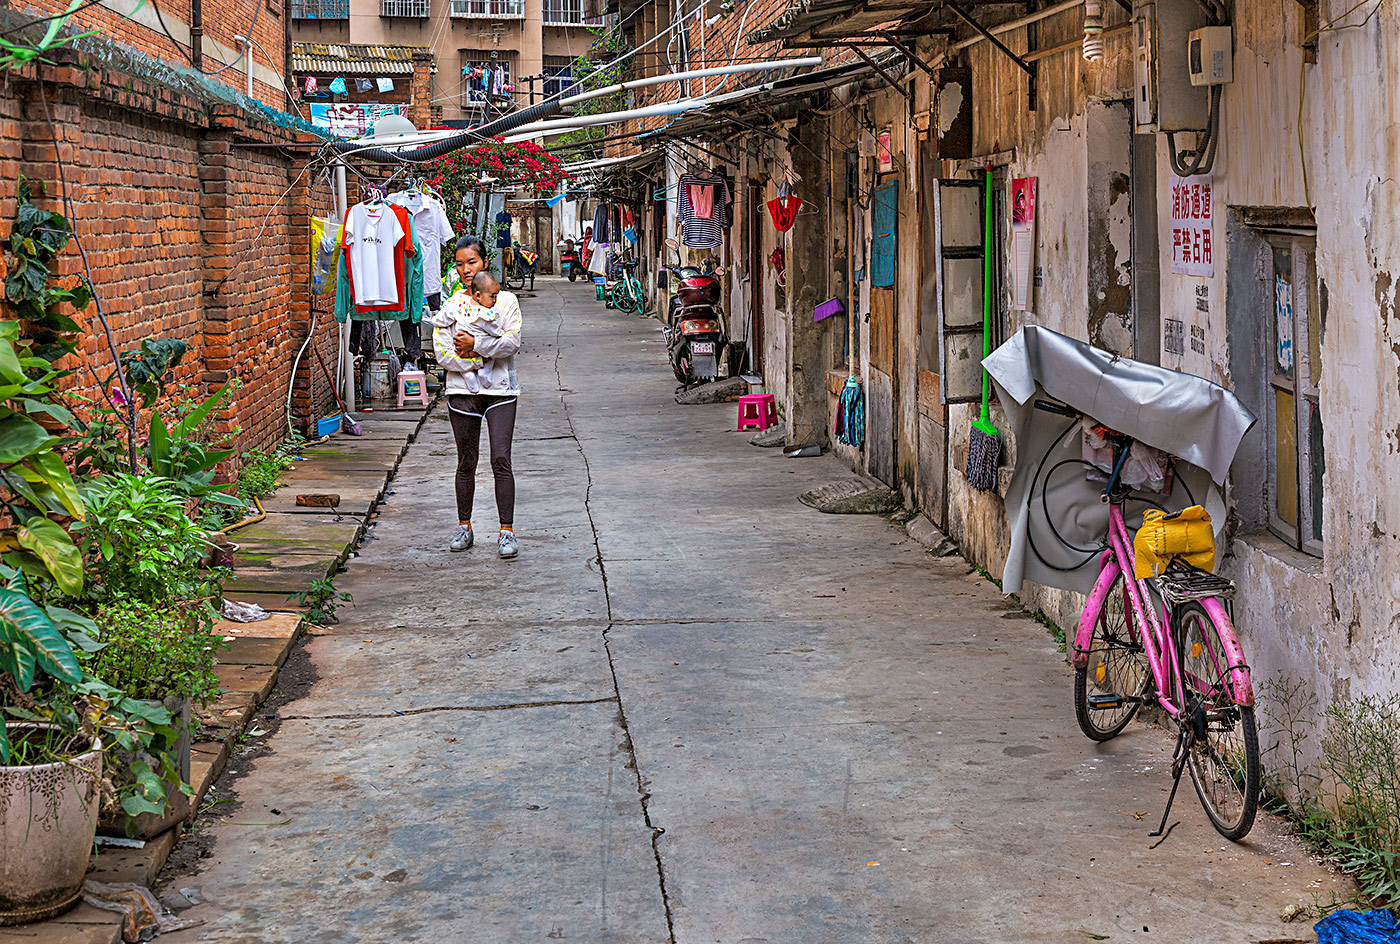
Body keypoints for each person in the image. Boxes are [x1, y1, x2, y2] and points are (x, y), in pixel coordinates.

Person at [431, 236, 522, 558]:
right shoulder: (453, 304)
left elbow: (512, 343)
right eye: (459, 263)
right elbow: (441, 350)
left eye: (472, 262)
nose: (466, 269)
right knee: (466, 462)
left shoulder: (505, 300)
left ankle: (506, 531)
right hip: (461, 392)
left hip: (501, 391)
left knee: (501, 460)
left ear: (485, 262)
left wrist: (476, 346)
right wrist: (472, 361)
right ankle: (464, 526)